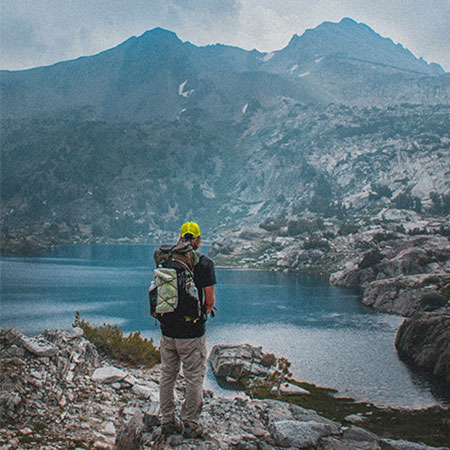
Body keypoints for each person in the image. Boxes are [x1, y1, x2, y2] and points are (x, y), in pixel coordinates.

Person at [158, 221, 216, 438]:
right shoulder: (204, 263)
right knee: (193, 376)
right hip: (191, 333)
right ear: (198, 240)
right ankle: (190, 424)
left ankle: (167, 421)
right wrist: (201, 316)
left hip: (167, 330)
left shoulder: (167, 260)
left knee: (167, 375)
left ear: (181, 237)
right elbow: (209, 300)